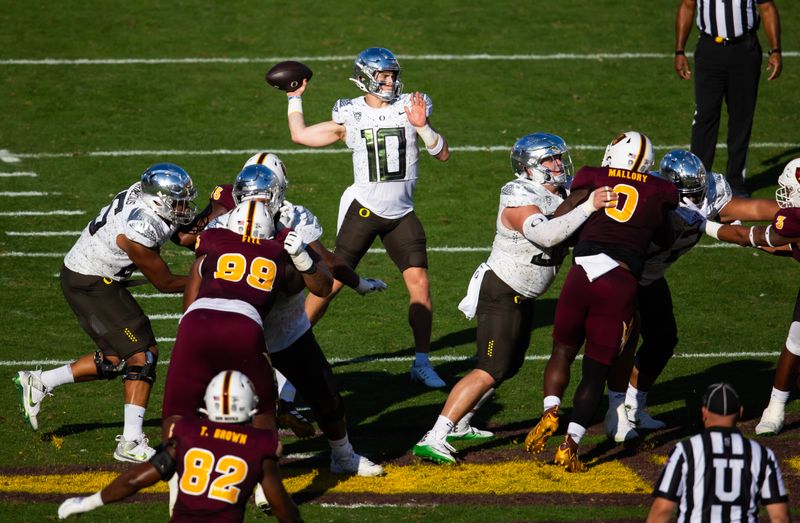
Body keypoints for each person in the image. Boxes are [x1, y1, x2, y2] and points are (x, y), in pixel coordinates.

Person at [412, 133, 617, 464]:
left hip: (522, 294)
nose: (557, 164)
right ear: (529, 167)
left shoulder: (562, 194)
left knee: (510, 365)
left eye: (557, 157)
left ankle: (461, 422)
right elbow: (547, 234)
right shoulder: (518, 195)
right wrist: (590, 205)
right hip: (503, 291)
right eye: (549, 159)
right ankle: (434, 435)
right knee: (490, 367)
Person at [206, 153, 386, 479]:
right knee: (237, 404)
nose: (258, 203)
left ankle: (343, 456)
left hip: (288, 327)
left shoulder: (293, 219)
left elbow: (321, 280)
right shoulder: (222, 226)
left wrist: (300, 257)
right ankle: (234, 467)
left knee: (326, 394)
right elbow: (203, 271)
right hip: (242, 327)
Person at [283, 47, 450, 388]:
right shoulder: (350, 114)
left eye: (393, 75)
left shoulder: (412, 107)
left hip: (402, 213)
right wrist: (294, 98)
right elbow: (300, 136)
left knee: (420, 284)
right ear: (365, 78)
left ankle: (421, 362)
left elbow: (442, 153)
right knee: (329, 285)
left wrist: (424, 127)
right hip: (364, 211)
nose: (390, 82)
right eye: (383, 76)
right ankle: (285, 357)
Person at [13, 163, 197, 462]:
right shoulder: (139, 229)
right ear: (157, 201)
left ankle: (40, 381)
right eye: (177, 201)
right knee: (143, 355)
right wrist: (214, 280)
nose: (183, 206)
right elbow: (164, 283)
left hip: (94, 277)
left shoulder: (145, 200)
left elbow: (183, 233)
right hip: (92, 283)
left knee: (113, 359)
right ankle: (131, 443)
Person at [523, 131, 679, 472]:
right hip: (619, 281)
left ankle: (550, 412)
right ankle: (571, 445)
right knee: (595, 371)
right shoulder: (660, 191)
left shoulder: (594, 177)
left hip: (581, 273)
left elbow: (563, 216)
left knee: (562, 350)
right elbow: (666, 239)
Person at [604, 149, 779, 442]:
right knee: (623, 341)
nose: (698, 199)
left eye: (700, 192)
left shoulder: (708, 194)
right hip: (621, 273)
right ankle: (614, 412)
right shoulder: (652, 200)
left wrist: (790, 212)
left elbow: (754, 209)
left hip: (651, 275)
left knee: (663, 340)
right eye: (690, 194)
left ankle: (635, 404)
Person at [57, 370, 303, 522]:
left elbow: (136, 479)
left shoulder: (187, 432)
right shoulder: (259, 445)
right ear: (251, 405)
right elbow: (283, 510)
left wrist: (88, 503)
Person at [702, 158, 800, 436]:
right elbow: (788, 246)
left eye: (791, 190)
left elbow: (754, 236)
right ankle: (775, 407)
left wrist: (704, 226)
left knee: (796, 340)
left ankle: (775, 408)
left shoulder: (796, 218)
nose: (786, 197)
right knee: (797, 338)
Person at [675, 0, 782, 197]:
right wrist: (679, 50)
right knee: (705, 117)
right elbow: (687, 6)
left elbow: (767, 8)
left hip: (745, 49)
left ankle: (736, 184)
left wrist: (775, 50)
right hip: (710, 49)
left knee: (741, 119)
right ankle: (698, 182)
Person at [647, 382, 789, 522]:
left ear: (704, 412)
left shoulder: (686, 451)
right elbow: (780, 517)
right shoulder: (761, 454)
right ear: (740, 412)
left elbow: (662, 510)